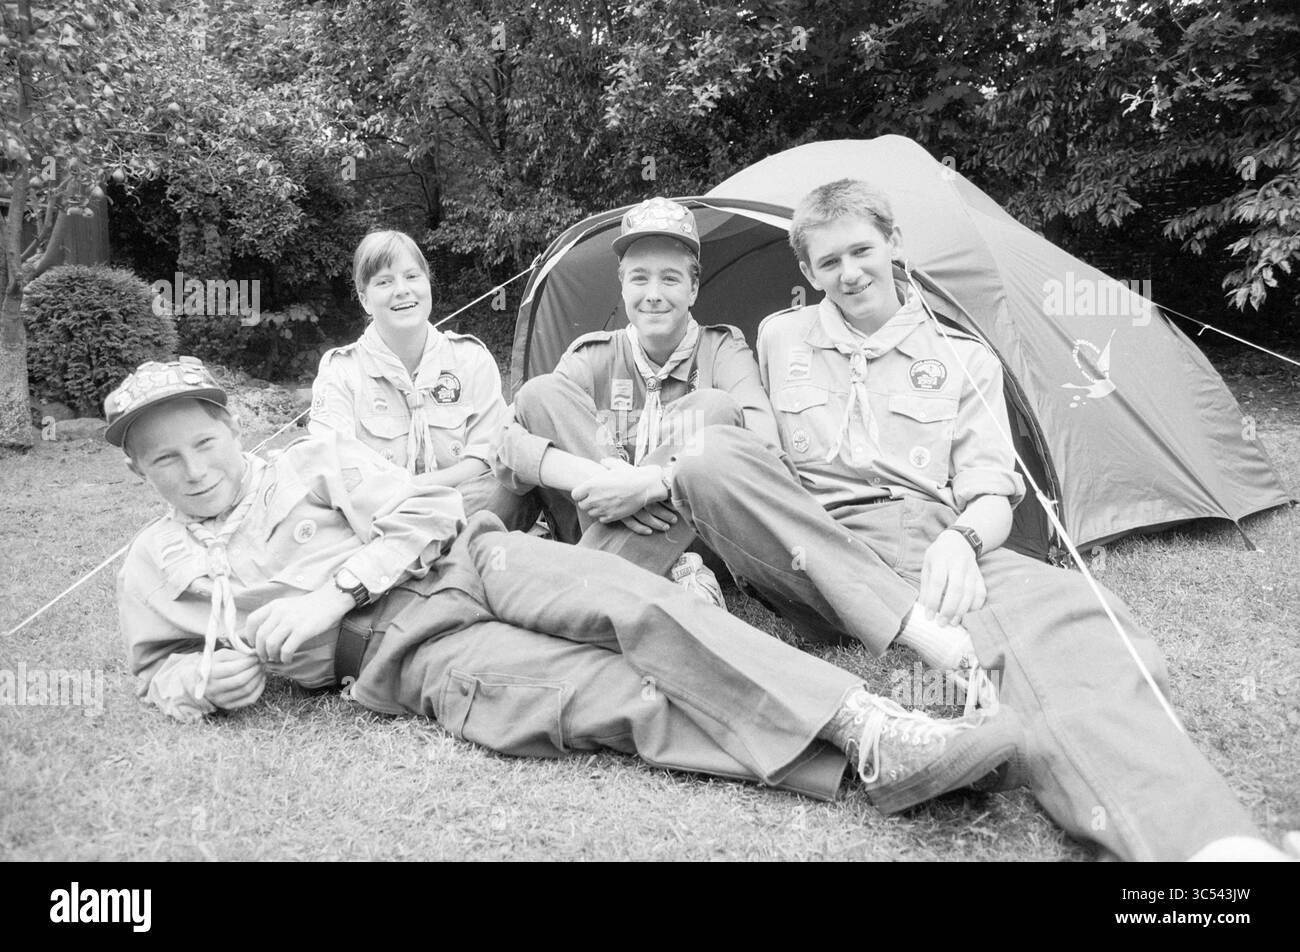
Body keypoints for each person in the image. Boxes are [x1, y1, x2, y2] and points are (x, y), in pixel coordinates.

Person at [601, 176, 1288, 860]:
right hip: (803, 549)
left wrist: (963, 540)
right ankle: (922, 633)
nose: (849, 273)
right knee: (711, 453)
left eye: (861, 251)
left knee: (1076, 624)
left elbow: (994, 492)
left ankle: (1206, 849)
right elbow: (741, 452)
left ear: (894, 244)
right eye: (829, 262)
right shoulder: (780, 336)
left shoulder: (964, 358)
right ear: (807, 271)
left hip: (924, 543)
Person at [107, 356, 1025, 819]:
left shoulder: (310, 461)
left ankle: (874, 723)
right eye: (165, 461)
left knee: (635, 604)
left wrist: (331, 588)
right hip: (404, 651)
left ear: (232, 431)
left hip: (470, 559)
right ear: (142, 473)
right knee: (603, 695)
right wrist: (206, 686)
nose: (193, 471)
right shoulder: (157, 565)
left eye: (204, 444)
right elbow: (156, 670)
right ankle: (867, 766)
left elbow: (426, 513)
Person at [493, 197, 779, 603]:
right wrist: (598, 481)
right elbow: (505, 443)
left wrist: (653, 485)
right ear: (623, 286)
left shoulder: (723, 350)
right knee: (540, 393)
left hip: (694, 543)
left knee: (713, 410)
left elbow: (764, 446)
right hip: (591, 520)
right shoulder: (592, 355)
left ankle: (594, 583)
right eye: (640, 278)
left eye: (670, 279)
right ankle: (659, 583)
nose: (654, 294)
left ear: (694, 288)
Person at [309, 230, 537, 531]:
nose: (402, 290)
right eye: (384, 282)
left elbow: (486, 459)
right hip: (379, 510)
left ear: (427, 284)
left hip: (459, 504)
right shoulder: (342, 370)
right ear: (365, 300)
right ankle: (445, 555)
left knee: (513, 490)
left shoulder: (471, 359)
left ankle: (409, 552)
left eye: (412, 276)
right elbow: (333, 467)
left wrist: (417, 488)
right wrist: (398, 497)